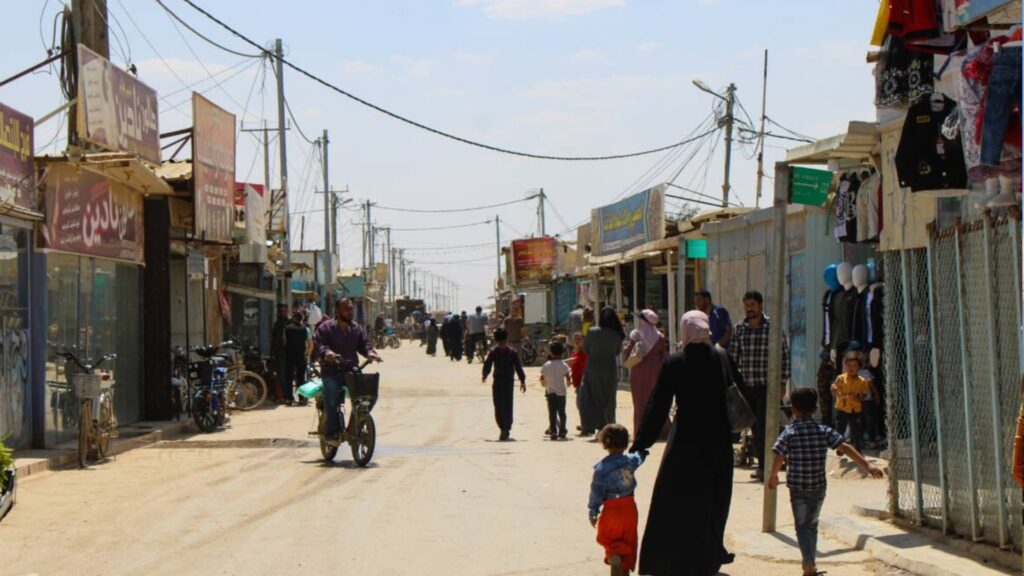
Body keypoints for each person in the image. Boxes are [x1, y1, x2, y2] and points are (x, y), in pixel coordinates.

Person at [629, 311, 736, 576]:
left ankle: (669, 561)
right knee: (714, 500)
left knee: (675, 499)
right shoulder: (721, 357)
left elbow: (658, 405)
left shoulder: (676, 362)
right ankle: (709, 558)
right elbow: (738, 393)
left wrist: (641, 443)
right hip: (718, 442)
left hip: (686, 440)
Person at [768, 387, 883, 576]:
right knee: (812, 524)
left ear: (793, 409)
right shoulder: (823, 431)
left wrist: (773, 476)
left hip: (797, 488)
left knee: (802, 525)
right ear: (815, 409)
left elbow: (779, 455)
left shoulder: (789, 433)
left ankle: (808, 563)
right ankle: (810, 562)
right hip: (819, 486)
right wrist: (868, 466)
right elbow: (845, 447)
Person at [730, 290, 791, 481]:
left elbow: (784, 356)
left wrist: (782, 382)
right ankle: (763, 466)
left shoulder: (772, 327)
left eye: (753, 305)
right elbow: (732, 358)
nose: (750, 309)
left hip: (769, 387)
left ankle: (769, 467)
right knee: (755, 428)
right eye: (747, 305)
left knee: (768, 427)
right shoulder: (739, 329)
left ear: (761, 306)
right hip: (748, 387)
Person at [314, 298, 383, 441]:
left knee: (370, 395)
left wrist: (371, 353)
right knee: (332, 394)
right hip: (331, 372)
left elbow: (364, 345)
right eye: (346, 308)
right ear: (337, 311)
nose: (349, 311)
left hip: (351, 372)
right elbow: (319, 344)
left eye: (351, 309)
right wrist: (327, 353)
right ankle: (331, 432)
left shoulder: (357, 328)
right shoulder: (326, 327)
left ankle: (355, 425)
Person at [589, 423, 645, 576]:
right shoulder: (631, 461)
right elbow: (641, 455)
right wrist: (642, 450)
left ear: (604, 443)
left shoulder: (600, 469)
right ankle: (623, 570)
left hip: (611, 510)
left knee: (610, 540)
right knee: (628, 540)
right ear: (626, 443)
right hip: (629, 509)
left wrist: (593, 511)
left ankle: (614, 557)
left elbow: (596, 492)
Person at [578, 307, 626, 436]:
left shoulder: (592, 331)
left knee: (589, 396)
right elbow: (617, 352)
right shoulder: (617, 334)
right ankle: (607, 425)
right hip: (610, 368)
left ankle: (589, 425)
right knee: (608, 397)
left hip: (593, 367)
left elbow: (585, 348)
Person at [623, 309, 668, 438]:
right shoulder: (660, 336)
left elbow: (627, 351)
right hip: (655, 369)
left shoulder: (636, 334)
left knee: (640, 400)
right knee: (656, 398)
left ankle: (641, 430)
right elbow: (663, 356)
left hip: (639, 369)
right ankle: (661, 430)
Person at [482, 328, 527, 441]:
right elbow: (518, 367)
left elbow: (488, 364)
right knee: (508, 405)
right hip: (508, 382)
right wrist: (522, 380)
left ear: (496, 339)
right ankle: (506, 427)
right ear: (507, 338)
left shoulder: (493, 352)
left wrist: (484, 375)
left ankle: (503, 427)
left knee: (498, 405)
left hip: (498, 381)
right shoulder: (512, 352)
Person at [831, 351, 875, 452]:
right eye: (849, 365)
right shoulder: (841, 378)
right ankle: (840, 447)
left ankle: (858, 449)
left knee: (856, 429)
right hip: (842, 407)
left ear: (859, 367)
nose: (851, 368)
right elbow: (834, 387)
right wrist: (835, 390)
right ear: (845, 366)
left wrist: (859, 396)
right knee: (840, 428)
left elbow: (865, 394)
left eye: (854, 366)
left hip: (855, 409)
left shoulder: (862, 381)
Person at [541, 340, 572, 441]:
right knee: (562, 413)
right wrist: (568, 384)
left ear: (551, 352)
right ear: (562, 352)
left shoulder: (547, 365)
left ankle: (553, 431)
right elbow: (568, 378)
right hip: (561, 393)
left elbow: (542, 378)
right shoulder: (564, 365)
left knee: (552, 413)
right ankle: (562, 431)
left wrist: (544, 383)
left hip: (550, 392)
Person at [282, 311, 309, 405]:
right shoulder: (305, 329)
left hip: (290, 355)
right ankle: (302, 398)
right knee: (301, 377)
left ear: (294, 318)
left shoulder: (287, 328)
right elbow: (307, 343)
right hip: (301, 355)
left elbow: (284, 342)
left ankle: (289, 398)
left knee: (288, 377)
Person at [270, 303, 289, 402]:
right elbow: (274, 338)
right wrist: (272, 352)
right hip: (278, 353)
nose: (282, 313)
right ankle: (280, 395)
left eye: (284, 311)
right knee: (279, 374)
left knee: (285, 375)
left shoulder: (289, 322)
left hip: (287, 353)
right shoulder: (277, 323)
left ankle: (286, 395)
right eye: (281, 311)